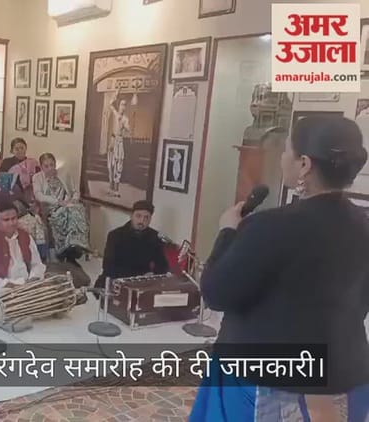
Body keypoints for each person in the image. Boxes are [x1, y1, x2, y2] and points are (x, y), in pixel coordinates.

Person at [191, 116, 369, 422]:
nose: (282, 158)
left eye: (286, 150)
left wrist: (227, 232)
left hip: (272, 384)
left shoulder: (270, 226)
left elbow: (216, 292)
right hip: (345, 376)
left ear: (304, 164)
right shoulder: (362, 225)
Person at [0, 146, 48, 258]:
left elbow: (17, 193)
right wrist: (8, 194)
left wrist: (6, 196)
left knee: (34, 222)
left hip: (11, 209)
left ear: (0, 160)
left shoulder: (8, 177)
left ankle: (29, 258)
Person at [93, 200, 168, 292]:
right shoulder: (115, 235)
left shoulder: (155, 237)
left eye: (146, 218)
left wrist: (153, 274)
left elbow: (162, 265)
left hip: (142, 281)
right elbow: (108, 266)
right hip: (117, 279)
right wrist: (134, 277)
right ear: (131, 216)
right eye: (138, 216)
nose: (142, 221)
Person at [32, 153, 90, 257]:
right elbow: (39, 196)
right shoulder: (37, 177)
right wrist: (58, 202)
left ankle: (76, 244)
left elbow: (75, 191)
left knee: (78, 210)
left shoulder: (64, 174)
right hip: (51, 208)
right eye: (46, 166)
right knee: (65, 214)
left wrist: (74, 199)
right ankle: (64, 249)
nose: (50, 168)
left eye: (52, 165)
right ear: (41, 167)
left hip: (68, 204)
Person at [1, 138, 40, 204]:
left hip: (30, 195)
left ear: (26, 148)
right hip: (11, 195)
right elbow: (2, 181)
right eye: (17, 149)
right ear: (12, 151)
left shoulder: (32, 162)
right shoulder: (6, 162)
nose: (20, 151)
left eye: (22, 148)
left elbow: (38, 179)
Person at [108, 93, 130, 194]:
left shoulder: (125, 119)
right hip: (113, 140)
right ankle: (111, 186)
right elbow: (110, 104)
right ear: (119, 105)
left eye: (125, 105)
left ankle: (116, 189)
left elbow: (128, 129)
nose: (123, 107)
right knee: (111, 165)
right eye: (121, 104)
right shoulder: (115, 114)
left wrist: (125, 125)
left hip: (120, 142)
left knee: (119, 165)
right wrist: (115, 94)